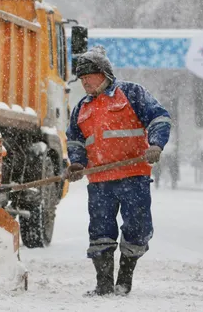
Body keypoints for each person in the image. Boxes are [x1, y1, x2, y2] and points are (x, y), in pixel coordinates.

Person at [65, 46, 172, 297]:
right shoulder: (82, 107)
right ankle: (103, 284)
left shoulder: (132, 94)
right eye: (81, 79)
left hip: (133, 175)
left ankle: (124, 279)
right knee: (100, 231)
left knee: (137, 227)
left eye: (89, 76)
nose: (85, 82)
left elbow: (159, 117)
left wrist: (156, 144)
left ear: (104, 74)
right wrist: (78, 163)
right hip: (100, 179)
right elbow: (75, 140)